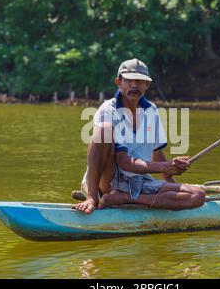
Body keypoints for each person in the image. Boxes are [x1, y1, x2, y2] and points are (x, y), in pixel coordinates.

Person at [74, 58, 206, 214]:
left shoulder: (151, 110)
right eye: (129, 80)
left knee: (198, 195)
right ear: (118, 82)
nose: (134, 85)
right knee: (103, 130)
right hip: (108, 182)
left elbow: (156, 153)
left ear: (147, 85)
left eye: (140, 81)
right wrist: (165, 166)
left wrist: (173, 182)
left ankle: (125, 198)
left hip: (140, 182)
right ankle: (92, 198)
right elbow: (124, 163)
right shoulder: (108, 110)